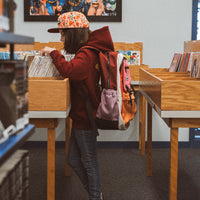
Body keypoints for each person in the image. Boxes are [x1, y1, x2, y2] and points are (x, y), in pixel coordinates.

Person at [40, 11, 115, 200]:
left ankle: (95, 196)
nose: (61, 37)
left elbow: (70, 71)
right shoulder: (87, 51)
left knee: (89, 161)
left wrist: (54, 53)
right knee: (73, 159)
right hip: (81, 115)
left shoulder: (86, 53)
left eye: (63, 33)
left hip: (85, 116)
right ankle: (95, 193)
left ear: (72, 34)